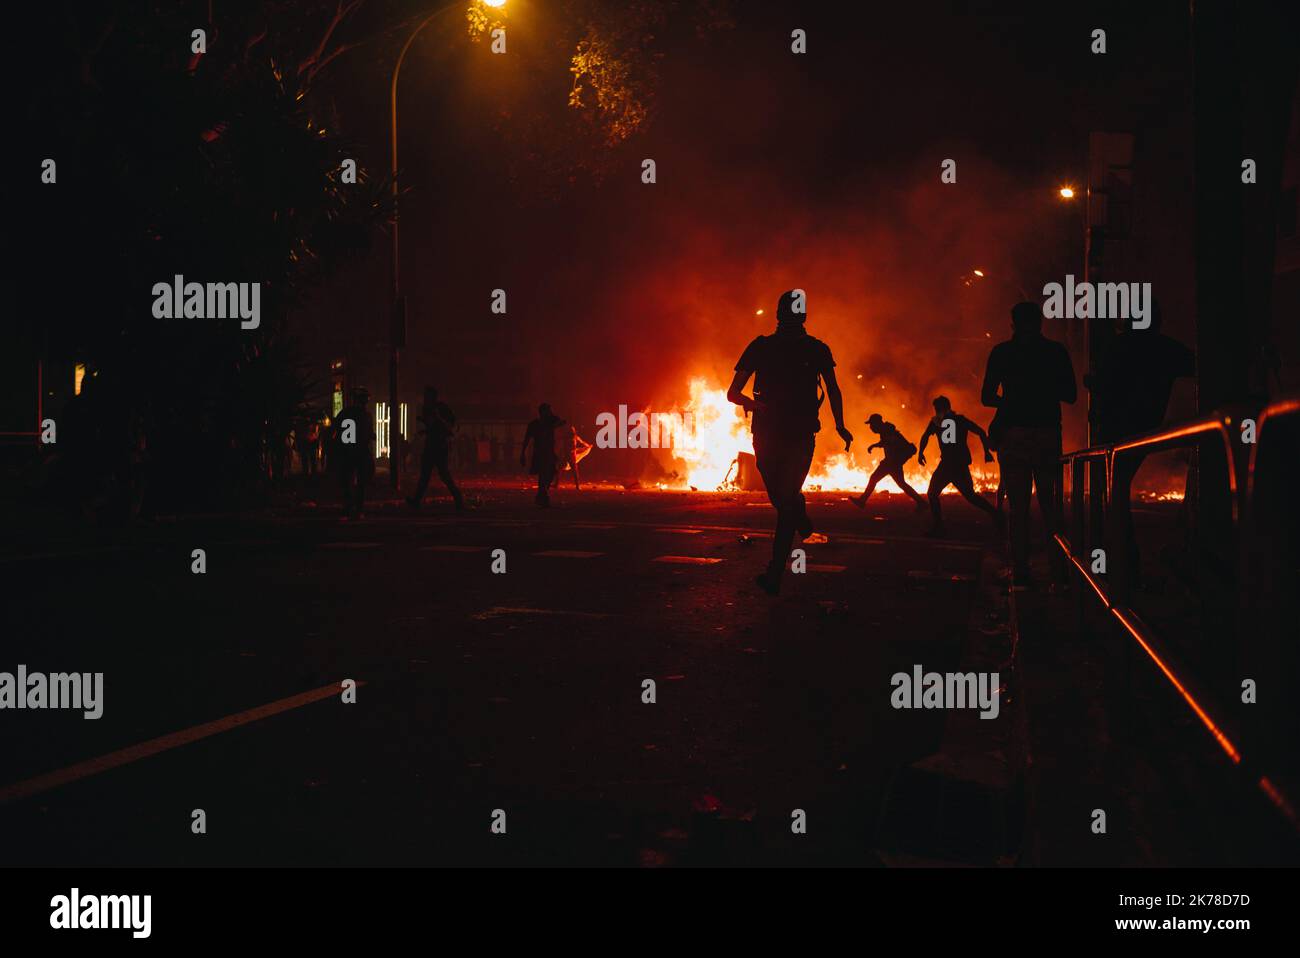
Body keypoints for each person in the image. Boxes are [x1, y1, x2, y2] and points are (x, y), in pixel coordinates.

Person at [728, 289, 853, 595]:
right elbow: (733, 393)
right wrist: (755, 405)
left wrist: (840, 424)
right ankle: (800, 513)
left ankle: (774, 574)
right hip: (766, 435)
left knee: (784, 503)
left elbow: (834, 390)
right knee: (783, 499)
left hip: (799, 435)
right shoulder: (763, 347)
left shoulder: (816, 350)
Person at [981, 302, 1077, 587]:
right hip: (1047, 433)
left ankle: (1021, 570)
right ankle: (1058, 571)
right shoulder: (1056, 352)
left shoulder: (1002, 353)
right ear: (1040, 322)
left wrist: (1012, 401)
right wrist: (1042, 392)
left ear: (1013, 323)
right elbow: (1070, 394)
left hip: (1014, 434)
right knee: (1051, 507)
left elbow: (987, 397)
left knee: (1018, 507)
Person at [917, 395, 1000, 536]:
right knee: (968, 496)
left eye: (937, 408)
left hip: (950, 464)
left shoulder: (938, 422)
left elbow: (925, 436)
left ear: (942, 408)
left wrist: (921, 452)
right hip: (956, 463)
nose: (936, 411)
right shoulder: (958, 420)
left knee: (935, 494)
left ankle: (939, 527)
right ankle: (996, 514)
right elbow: (980, 431)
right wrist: (986, 451)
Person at [850, 413, 926, 510]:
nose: (871, 427)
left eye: (871, 424)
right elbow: (886, 442)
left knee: (874, 478)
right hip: (892, 462)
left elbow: (891, 442)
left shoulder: (888, 431)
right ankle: (921, 502)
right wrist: (874, 445)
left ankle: (862, 501)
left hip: (892, 462)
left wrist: (876, 447)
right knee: (901, 484)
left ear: (877, 423)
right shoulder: (886, 431)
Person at [407, 386, 464, 512]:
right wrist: (426, 428)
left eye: (427, 396)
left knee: (443, 475)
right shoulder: (427, 409)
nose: (426, 399)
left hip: (439, 445)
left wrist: (438, 419)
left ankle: (459, 499)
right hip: (432, 444)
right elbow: (432, 425)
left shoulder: (441, 408)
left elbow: (450, 424)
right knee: (426, 475)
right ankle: (416, 501)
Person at [330, 387, 375, 520]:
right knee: (361, 482)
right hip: (360, 451)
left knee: (347, 480)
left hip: (346, 451)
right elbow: (367, 434)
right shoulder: (366, 415)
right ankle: (359, 508)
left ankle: (348, 506)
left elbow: (335, 428)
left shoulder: (345, 412)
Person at [521, 403, 565, 506]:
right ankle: (543, 496)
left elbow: (560, 421)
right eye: (548, 411)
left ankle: (541, 495)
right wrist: (522, 453)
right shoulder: (534, 425)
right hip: (540, 453)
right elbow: (526, 439)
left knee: (551, 473)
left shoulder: (550, 422)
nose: (550, 413)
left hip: (549, 452)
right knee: (543, 474)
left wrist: (553, 426)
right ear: (543, 412)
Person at [553, 425, 593, 491]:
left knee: (574, 471)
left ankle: (577, 486)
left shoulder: (575, 437)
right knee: (560, 470)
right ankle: (556, 484)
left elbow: (582, 442)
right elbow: (559, 440)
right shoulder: (566, 437)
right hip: (566, 455)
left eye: (572, 430)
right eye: (571, 430)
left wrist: (588, 446)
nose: (572, 432)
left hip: (571, 456)